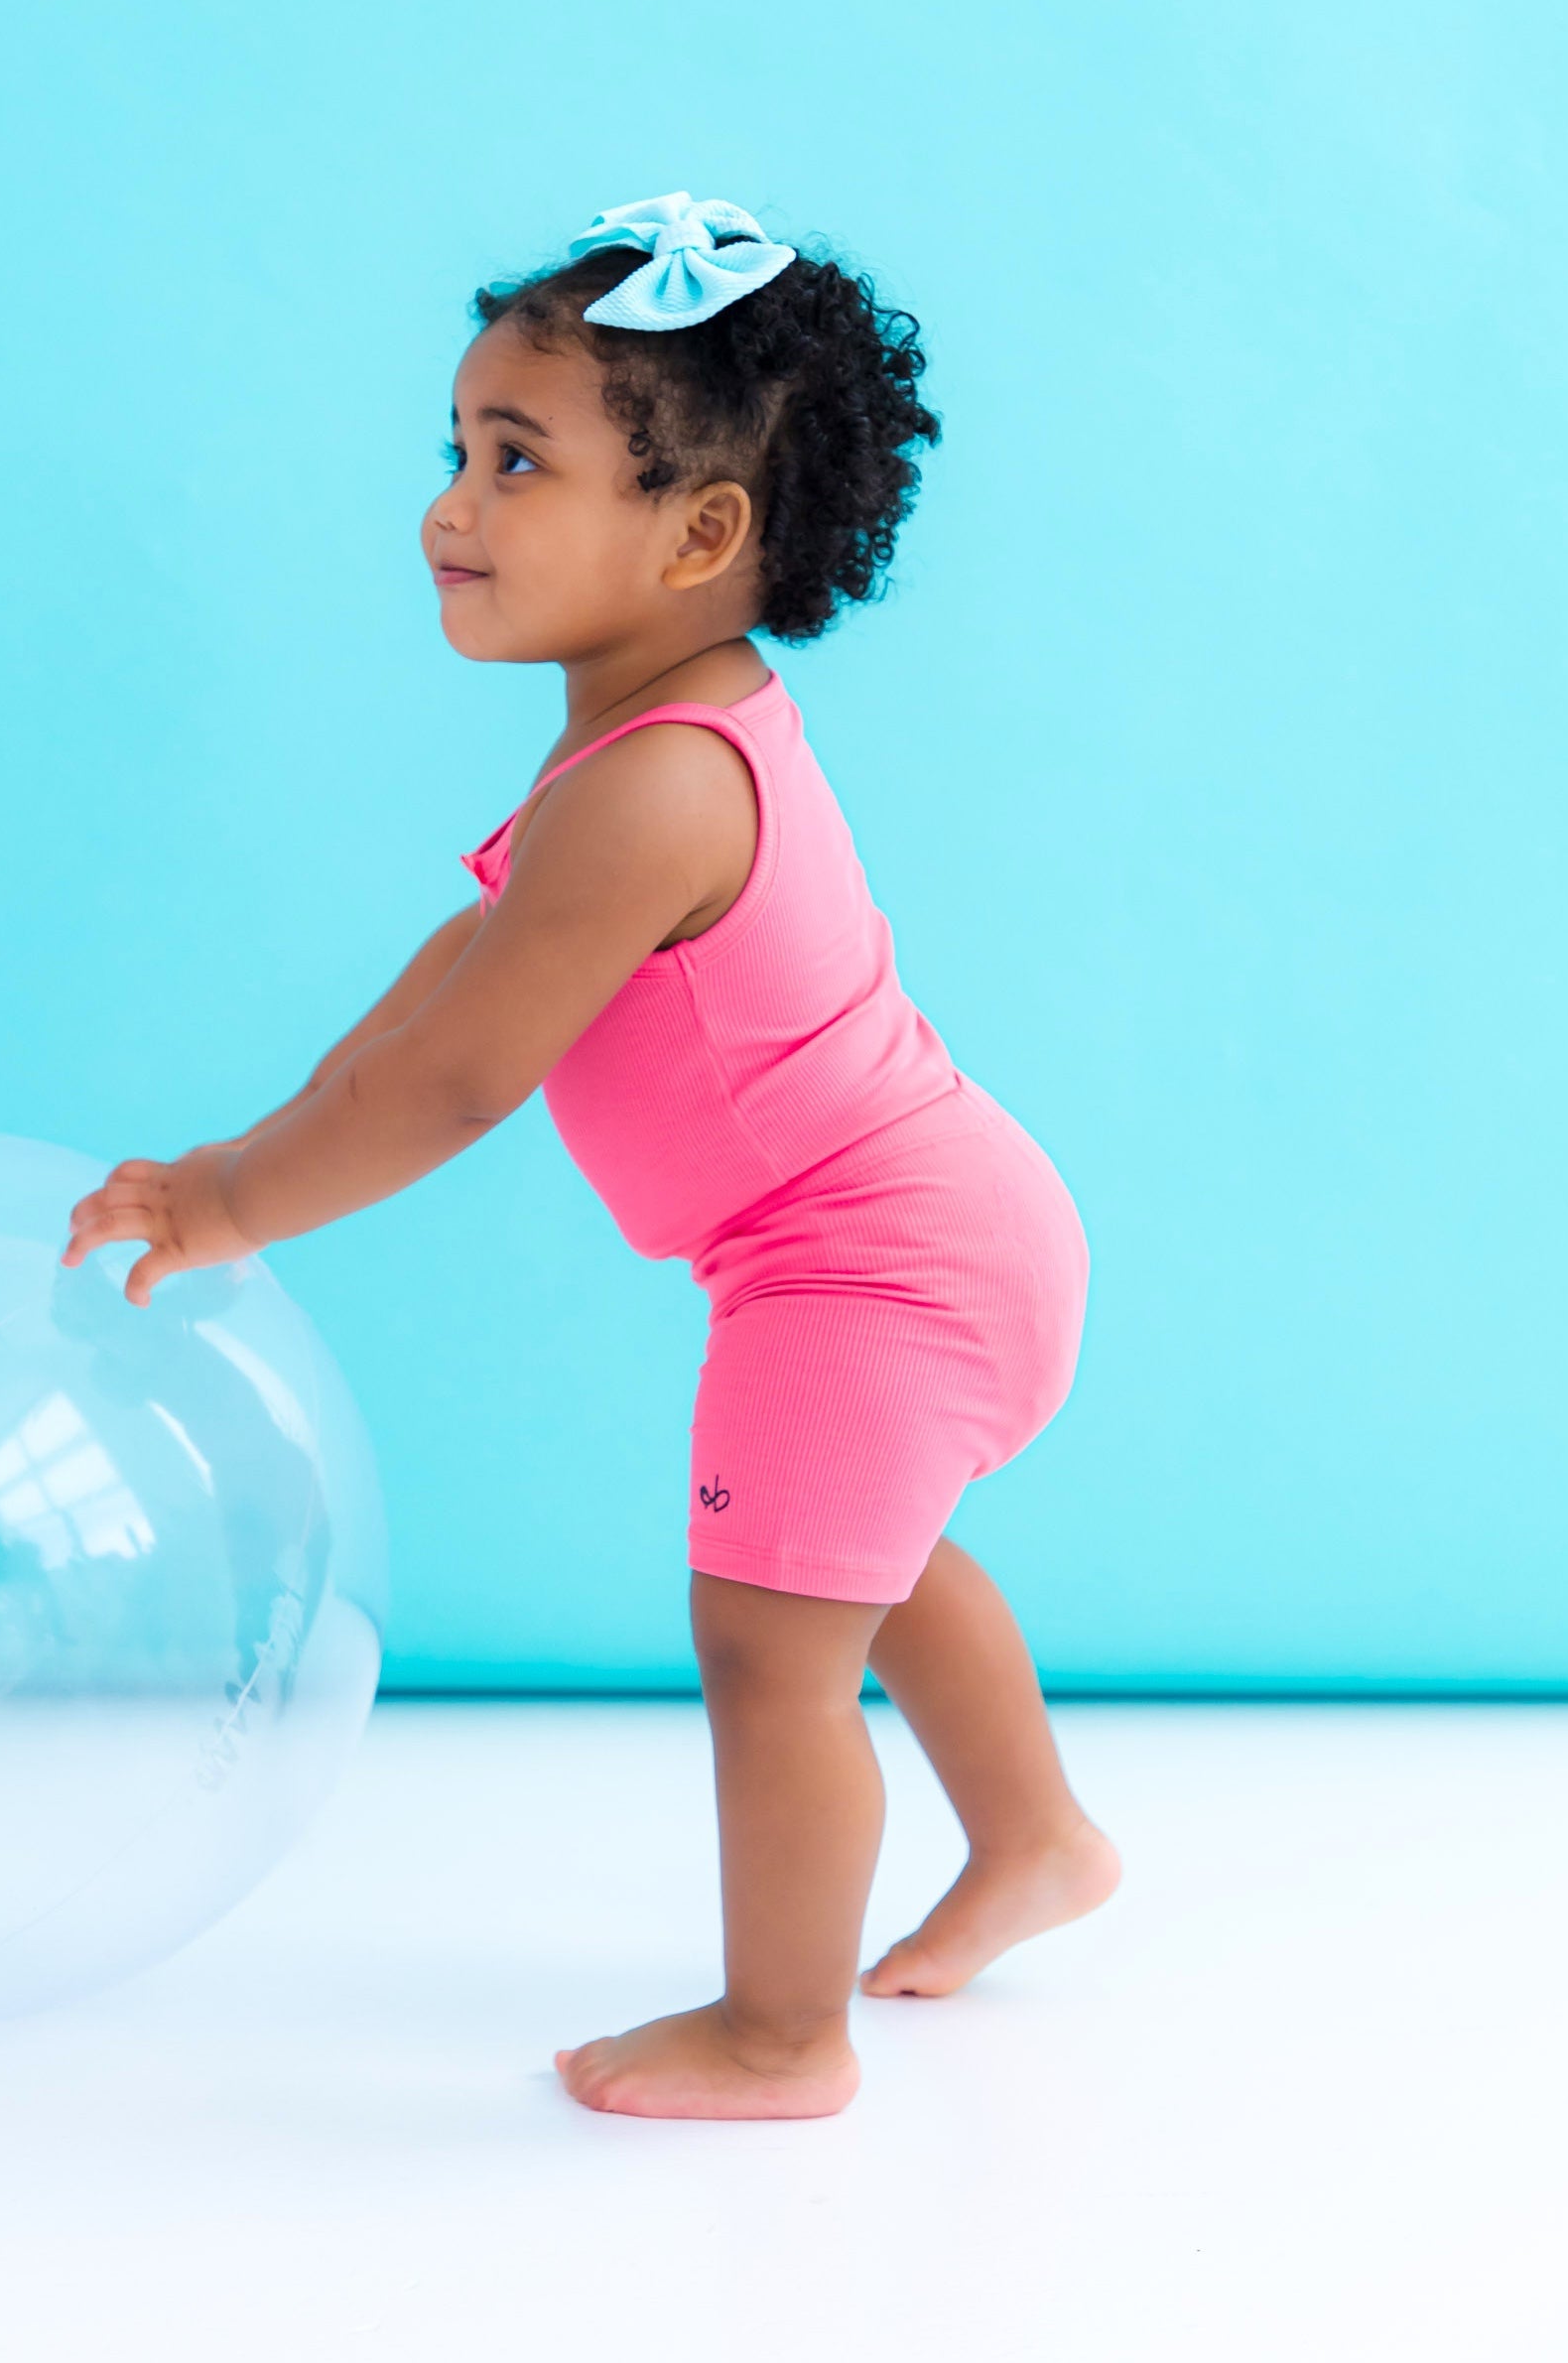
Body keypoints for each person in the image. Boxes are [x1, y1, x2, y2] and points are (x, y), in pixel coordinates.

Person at [62, 190, 1121, 2121]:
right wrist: (248, 1137)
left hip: (868, 1259)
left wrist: (230, 1205)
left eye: (517, 461)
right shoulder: (640, 749)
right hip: (925, 1222)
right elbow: (448, 976)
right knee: (857, 1568)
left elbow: (457, 1081)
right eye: (456, 450)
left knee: (765, 1639)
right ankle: (1037, 1835)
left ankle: (781, 2034)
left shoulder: (650, 789)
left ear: (701, 534)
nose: (449, 510)